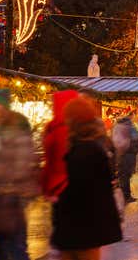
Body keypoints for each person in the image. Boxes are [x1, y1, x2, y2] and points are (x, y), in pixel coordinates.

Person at [52, 97, 122, 259]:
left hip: (80, 226)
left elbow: (81, 190)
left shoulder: (86, 149)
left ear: (75, 120)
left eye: (67, 118)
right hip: (86, 227)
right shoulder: (94, 145)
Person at [0, 89, 39, 260]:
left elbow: (20, 163)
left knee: (15, 245)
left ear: (5, 105)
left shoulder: (17, 126)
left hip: (12, 194)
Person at [41, 90, 80, 260]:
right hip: (69, 187)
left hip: (59, 188)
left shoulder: (54, 128)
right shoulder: (74, 128)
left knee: (62, 231)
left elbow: (50, 161)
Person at [112, 112, 138, 203]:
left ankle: (124, 194)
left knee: (122, 174)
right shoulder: (129, 127)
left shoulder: (116, 126)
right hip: (128, 153)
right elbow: (136, 137)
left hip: (119, 153)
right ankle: (126, 195)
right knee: (126, 175)